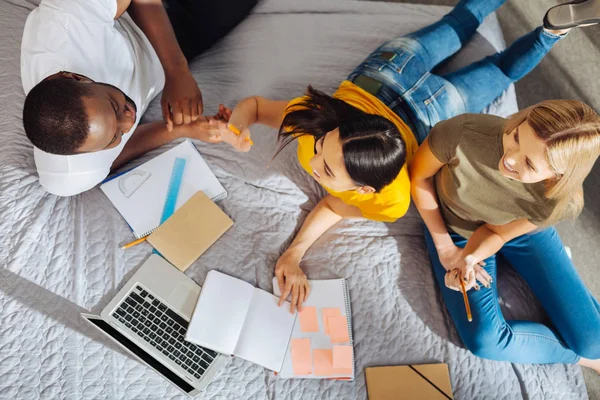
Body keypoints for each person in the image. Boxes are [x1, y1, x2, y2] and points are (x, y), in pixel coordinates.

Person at [212, 0, 600, 312]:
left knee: (484, 52)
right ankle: (549, 31)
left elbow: (333, 205)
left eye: (327, 168)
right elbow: (258, 108)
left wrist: (295, 252)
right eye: (320, 150)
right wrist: (236, 128)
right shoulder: (316, 122)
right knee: (465, 30)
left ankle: (550, 32)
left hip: (419, 102)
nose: (312, 164)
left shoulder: (391, 197)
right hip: (389, 78)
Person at [21, 0, 256, 196]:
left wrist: (176, 71)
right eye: (115, 136)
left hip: (145, 22)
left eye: (114, 106)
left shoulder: (67, 21)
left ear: (76, 77)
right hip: (178, 36)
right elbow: (107, 162)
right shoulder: (68, 175)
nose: (130, 121)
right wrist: (180, 130)